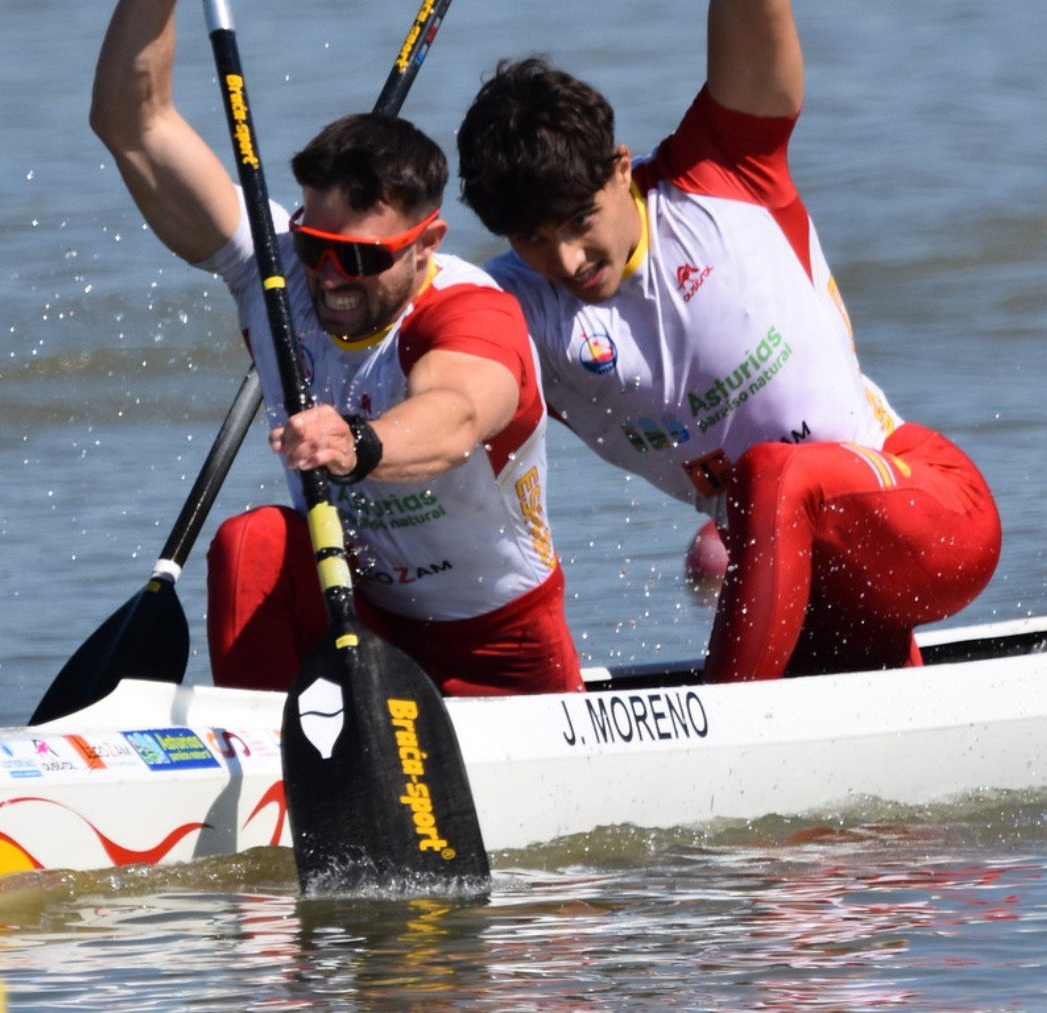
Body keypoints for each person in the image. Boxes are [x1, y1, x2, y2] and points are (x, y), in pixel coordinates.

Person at [454, 0, 1000, 683]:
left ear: (621, 166)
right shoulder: (509, 307)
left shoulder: (724, 169)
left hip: (929, 510)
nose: (566, 260)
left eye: (579, 219)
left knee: (772, 475)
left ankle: (724, 723)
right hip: (815, 591)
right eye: (532, 239)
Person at [90, 0, 582, 696]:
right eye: (317, 246)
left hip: (497, 653)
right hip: (360, 618)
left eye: (358, 257)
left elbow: (457, 416)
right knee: (253, 540)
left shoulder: (472, 313)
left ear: (425, 246)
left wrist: (357, 444)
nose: (326, 277)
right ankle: (271, 772)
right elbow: (132, 124)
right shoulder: (272, 262)